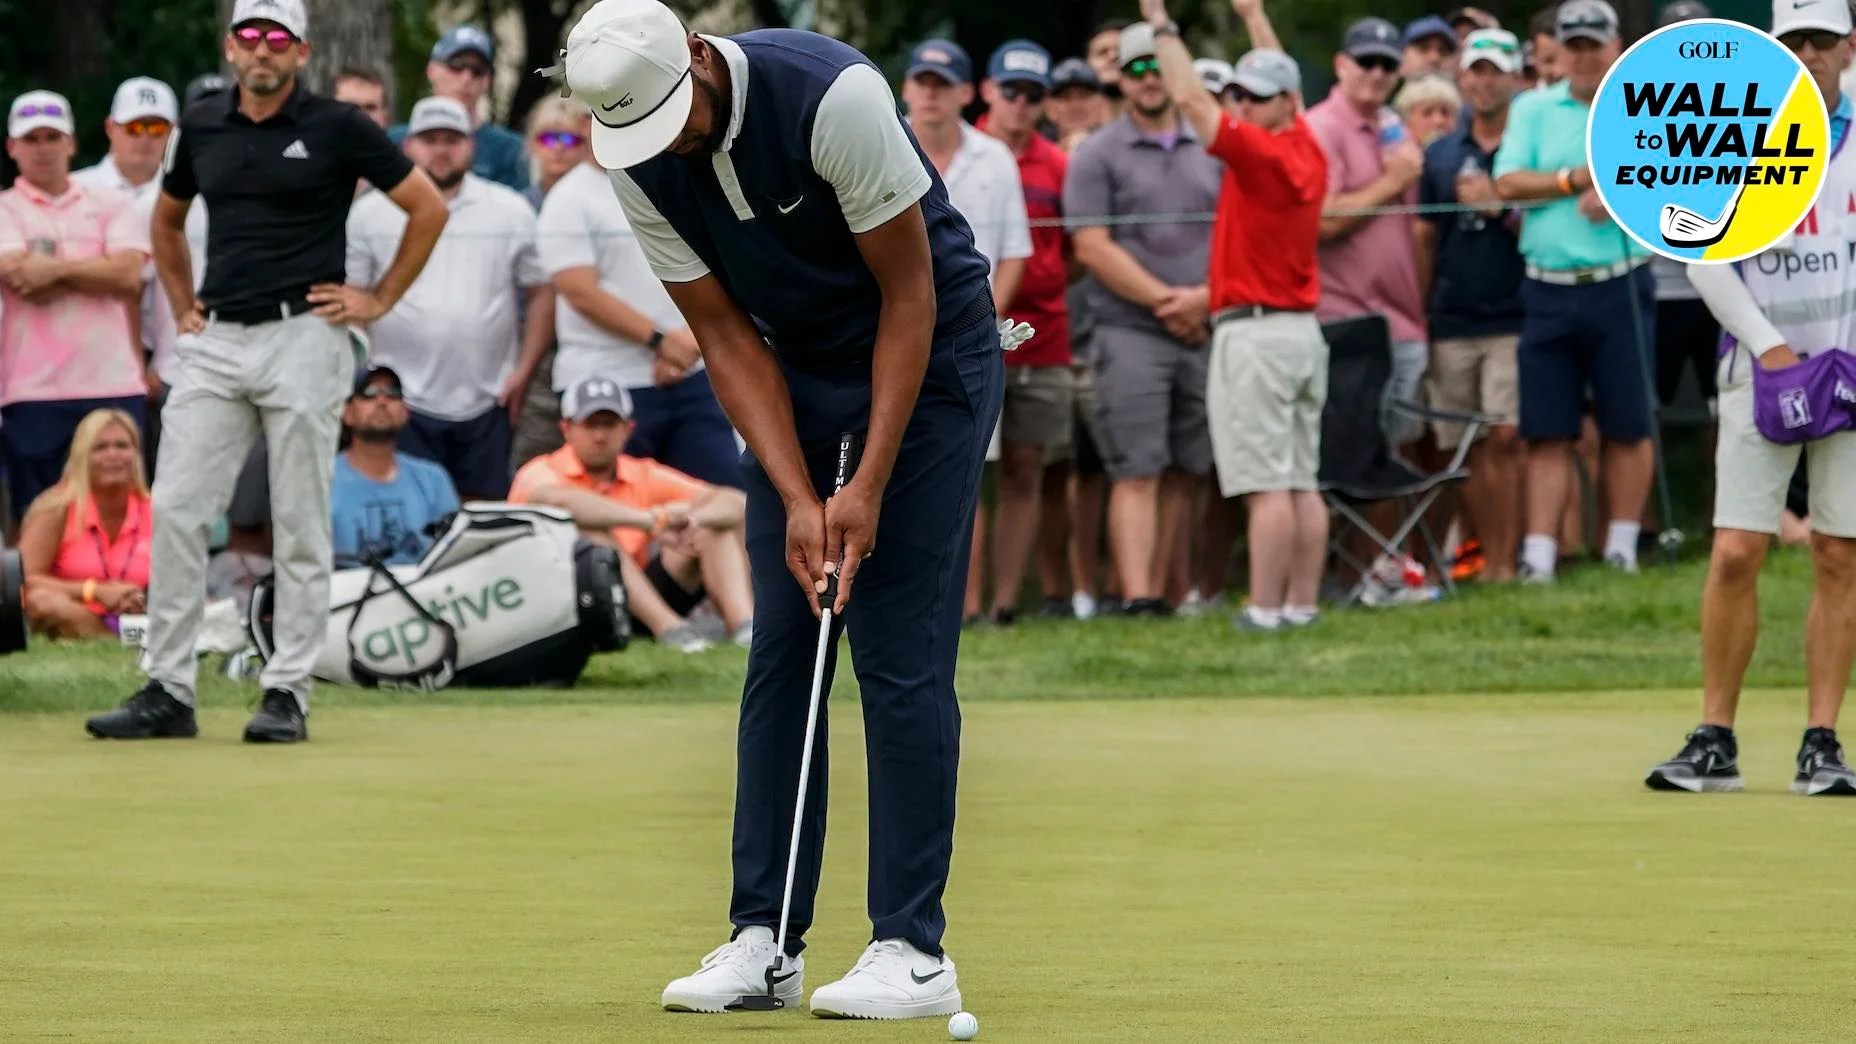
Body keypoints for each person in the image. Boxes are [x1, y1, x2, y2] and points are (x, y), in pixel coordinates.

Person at [555, 0, 1003, 1017]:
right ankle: (763, 939)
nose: (665, 142)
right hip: (791, 369)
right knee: (784, 647)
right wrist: (801, 496)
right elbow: (722, 334)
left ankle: (912, 949)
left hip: (931, 360)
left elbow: (912, 299)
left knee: (894, 647)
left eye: (672, 116)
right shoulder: (634, 153)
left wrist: (866, 486)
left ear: (698, 57)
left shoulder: (830, 97)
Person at [84, 0, 447, 745]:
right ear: (230, 47)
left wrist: (378, 299)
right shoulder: (202, 125)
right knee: (179, 507)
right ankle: (169, 688)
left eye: (277, 38)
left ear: (301, 52)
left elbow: (427, 207)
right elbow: (166, 219)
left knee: (300, 516)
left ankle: (287, 691)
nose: (261, 49)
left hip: (305, 334)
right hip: (218, 336)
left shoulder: (339, 126)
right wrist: (181, 303)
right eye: (249, 36)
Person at [1647, 0, 1856, 797]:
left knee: (1840, 553)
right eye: (1793, 41)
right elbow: (1702, 254)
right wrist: (1768, 345)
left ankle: (1822, 742)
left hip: (1850, 370)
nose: (1808, 54)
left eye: (1822, 40)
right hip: (1758, 367)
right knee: (1737, 549)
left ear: (1849, 45)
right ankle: (1715, 739)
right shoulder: (1738, 135)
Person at [1140, 0, 1330, 632]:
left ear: (1286, 103)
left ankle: (1267, 610)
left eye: (1256, 98)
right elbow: (1277, 73)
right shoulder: (1305, 142)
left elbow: (1191, 102)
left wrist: (1159, 22)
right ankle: (1302, 606)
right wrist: (1254, 16)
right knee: (1300, 480)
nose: (1243, 105)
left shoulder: (1264, 154)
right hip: (1298, 332)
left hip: (1257, 336)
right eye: (1240, 94)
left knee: (1268, 485)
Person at [1493, 0, 1656, 583]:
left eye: (1595, 45)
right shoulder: (1533, 108)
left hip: (1620, 280)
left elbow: (1675, 175)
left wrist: (1620, 191)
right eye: (1575, 46)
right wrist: (1573, 180)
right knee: (1547, 429)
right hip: (1548, 288)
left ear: (1615, 48)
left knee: (1628, 424)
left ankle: (1622, 548)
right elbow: (1508, 181)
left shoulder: (1644, 102)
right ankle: (1539, 557)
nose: (1585, 57)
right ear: (1560, 52)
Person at [1064, 22, 1223, 616]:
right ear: (1120, 80)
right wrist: (1170, 302)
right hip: (1129, 331)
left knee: (1187, 468)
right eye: (1136, 69)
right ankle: (1138, 599)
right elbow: (1091, 247)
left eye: (1157, 67)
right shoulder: (1098, 152)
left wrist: (1203, 300)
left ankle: (1171, 595)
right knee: (1137, 469)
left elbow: (1236, 234)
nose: (1149, 78)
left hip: (1204, 323)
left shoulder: (1212, 144)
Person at [347, 96, 552, 500]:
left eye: (452, 140)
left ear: (471, 144)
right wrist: (365, 380)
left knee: (482, 515)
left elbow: (543, 289)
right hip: (401, 399)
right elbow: (353, 298)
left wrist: (524, 371)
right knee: (411, 511)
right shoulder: (370, 213)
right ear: (409, 145)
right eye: (430, 140)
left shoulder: (509, 210)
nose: (441, 150)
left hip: (487, 398)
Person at [900, 39, 1032, 624]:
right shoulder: (881, 141)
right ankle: (904, 607)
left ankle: (967, 609)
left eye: (942, 84)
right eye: (922, 82)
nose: (931, 94)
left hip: (970, 344)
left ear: (966, 92)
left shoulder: (994, 157)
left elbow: (1014, 254)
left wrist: (977, 325)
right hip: (891, 340)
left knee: (963, 478)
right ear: (906, 89)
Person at [536, 119, 740, 488]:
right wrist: (660, 341)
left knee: (726, 495)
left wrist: (691, 341)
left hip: (690, 375)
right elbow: (579, 291)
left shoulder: (676, 177)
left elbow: (724, 262)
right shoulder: (569, 197)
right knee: (614, 505)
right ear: (583, 125)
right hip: (607, 383)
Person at [510, 376, 753, 652]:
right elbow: (554, 500)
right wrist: (650, 521)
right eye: (590, 425)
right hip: (569, 599)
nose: (599, 436)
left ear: (628, 429)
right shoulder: (541, 470)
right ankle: (672, 630)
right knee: (592, 536)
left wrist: (692, 518)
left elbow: (735, 502)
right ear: (566, 429)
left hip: (636, 594)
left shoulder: (641, 472)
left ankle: (744, 627)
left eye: (609, 424)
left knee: (711, 526)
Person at [0, 89, 149, 526]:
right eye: (31, 139)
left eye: (52, 137)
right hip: (32, 390)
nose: (42, 148)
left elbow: (127, 276)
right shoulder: (4, 209)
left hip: (112, 383)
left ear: (71, 143)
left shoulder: (112, 203)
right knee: (41, 518)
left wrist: (53, 269)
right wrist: (96, 266)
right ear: (12, 147)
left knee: (122, 514)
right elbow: (21, 279)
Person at [1415, 28, 1526, 583]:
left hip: (1514, 314)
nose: (1485, 83)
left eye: (1495, 73)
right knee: (1459, 448)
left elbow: (1546, 228)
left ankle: (1504, 563)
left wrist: (1498, 206)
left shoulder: (1528, 148)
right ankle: (1476, 559)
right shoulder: (1440, 154)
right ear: (1462, 78)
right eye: (1476, 72)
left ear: (1516, 78)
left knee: (1505, 439)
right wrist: (1422, 310)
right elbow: (1425, 238)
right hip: (1451, 317)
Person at [977, 40, 1077, 623]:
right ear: (989, 91)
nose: (1020, 103)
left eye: (1032, 95)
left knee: (1024, 470)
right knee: (966, 473)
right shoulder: (964, 150)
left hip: (1042, 336)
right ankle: (965, 604)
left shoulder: (1057, 164)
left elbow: (1075, 250)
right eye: (1011, 91)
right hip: (968, 334)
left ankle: (1006, 604)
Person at [70, 77, 178, 470]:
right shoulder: (76, 189)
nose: (145, 138)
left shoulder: (192, 194)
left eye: (156, 128)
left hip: (174, 359)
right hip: (93, 360)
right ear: (110, 128)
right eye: (134, 127)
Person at [17, 409, 152, 639]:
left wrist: (139, 599)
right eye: (100, 448)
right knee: (42, 601)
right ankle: (110, 638)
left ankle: (127, 636)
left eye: (122, 446)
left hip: (143, 615)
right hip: (77, 613)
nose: (113, 455)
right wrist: (94, 591)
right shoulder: (55, 507)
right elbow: (22, 581)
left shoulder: (155, 510)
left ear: (136, 455)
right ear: (81, 457)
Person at [331, 366, 459, 566]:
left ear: (405, 412)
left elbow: (455, 555)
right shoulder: (323, 479)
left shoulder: (434, 479)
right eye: (369, 394)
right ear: (346, 412)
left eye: (392, 394)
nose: (382, 401)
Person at [389, 25, 530, 191]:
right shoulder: (394, 141)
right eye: (456, 66)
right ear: (431, 70)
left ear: (487, 81)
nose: (466, 78)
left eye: (477, 70)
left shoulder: (509, 149)